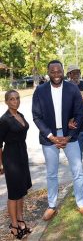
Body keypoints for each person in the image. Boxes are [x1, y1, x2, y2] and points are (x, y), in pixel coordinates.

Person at [32, 60, 83, 221]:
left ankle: (82, 204)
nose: (56, 75)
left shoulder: (72, 88)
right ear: (48, 72)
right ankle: (51, 206)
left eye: (59, 71)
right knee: (51, 173)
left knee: (77, 170)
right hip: (49, 137)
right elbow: (36, 116)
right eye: (53, 72)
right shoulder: (40, 90)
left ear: (63, 72)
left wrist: (69, 136)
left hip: (69, 136)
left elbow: (79, 113)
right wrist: (52, 136)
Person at [0, 90, 32, 239]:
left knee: (21, 190)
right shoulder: (4, 120)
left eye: (17, 98)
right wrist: (0, 164)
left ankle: (20, 220)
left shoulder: (21, 115)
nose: (16, 101)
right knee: (14, 193)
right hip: (11, 158)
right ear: (6, 101)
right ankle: (13, 226)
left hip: (22, 155)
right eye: (12, 99)